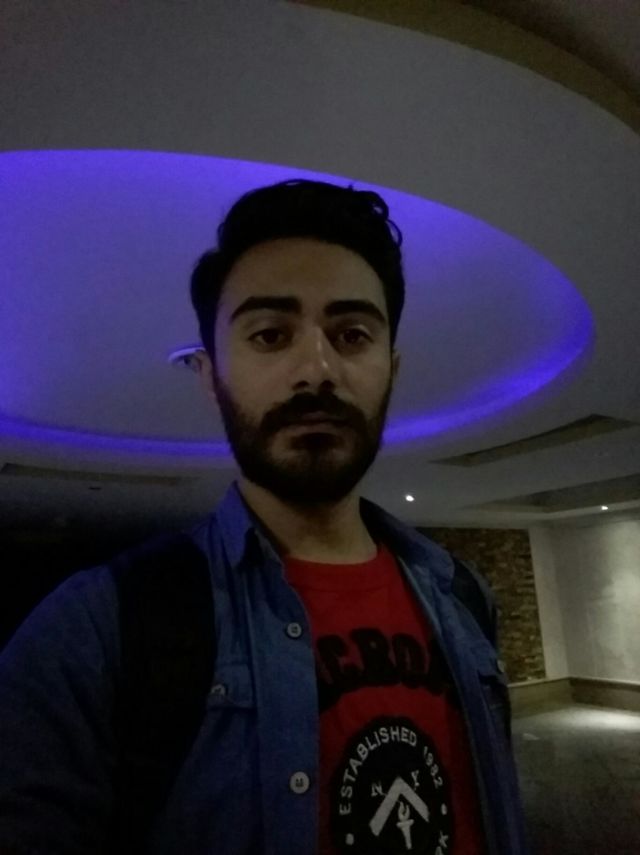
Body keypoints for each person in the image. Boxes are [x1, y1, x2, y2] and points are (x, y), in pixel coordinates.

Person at [0, 179, 529, 854]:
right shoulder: (91, 633)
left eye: (352, 334)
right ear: (209, 375)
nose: (317, 369)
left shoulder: (465, 596)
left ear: (391, 370)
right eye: (271, 334)